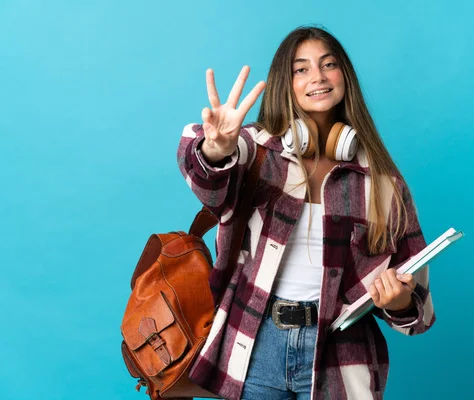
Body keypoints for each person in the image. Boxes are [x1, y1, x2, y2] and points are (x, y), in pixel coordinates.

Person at [177, 26, 435, 400]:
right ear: (287, 81)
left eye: (328, 64)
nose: (317, 76)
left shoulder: (383, 184)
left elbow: (420, 310)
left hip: (342, 353)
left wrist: (398, 301)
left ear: (344, 76)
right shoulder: (256, 152)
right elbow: (204, 179)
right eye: (301, 69)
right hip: (254, 343)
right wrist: (216, 149)